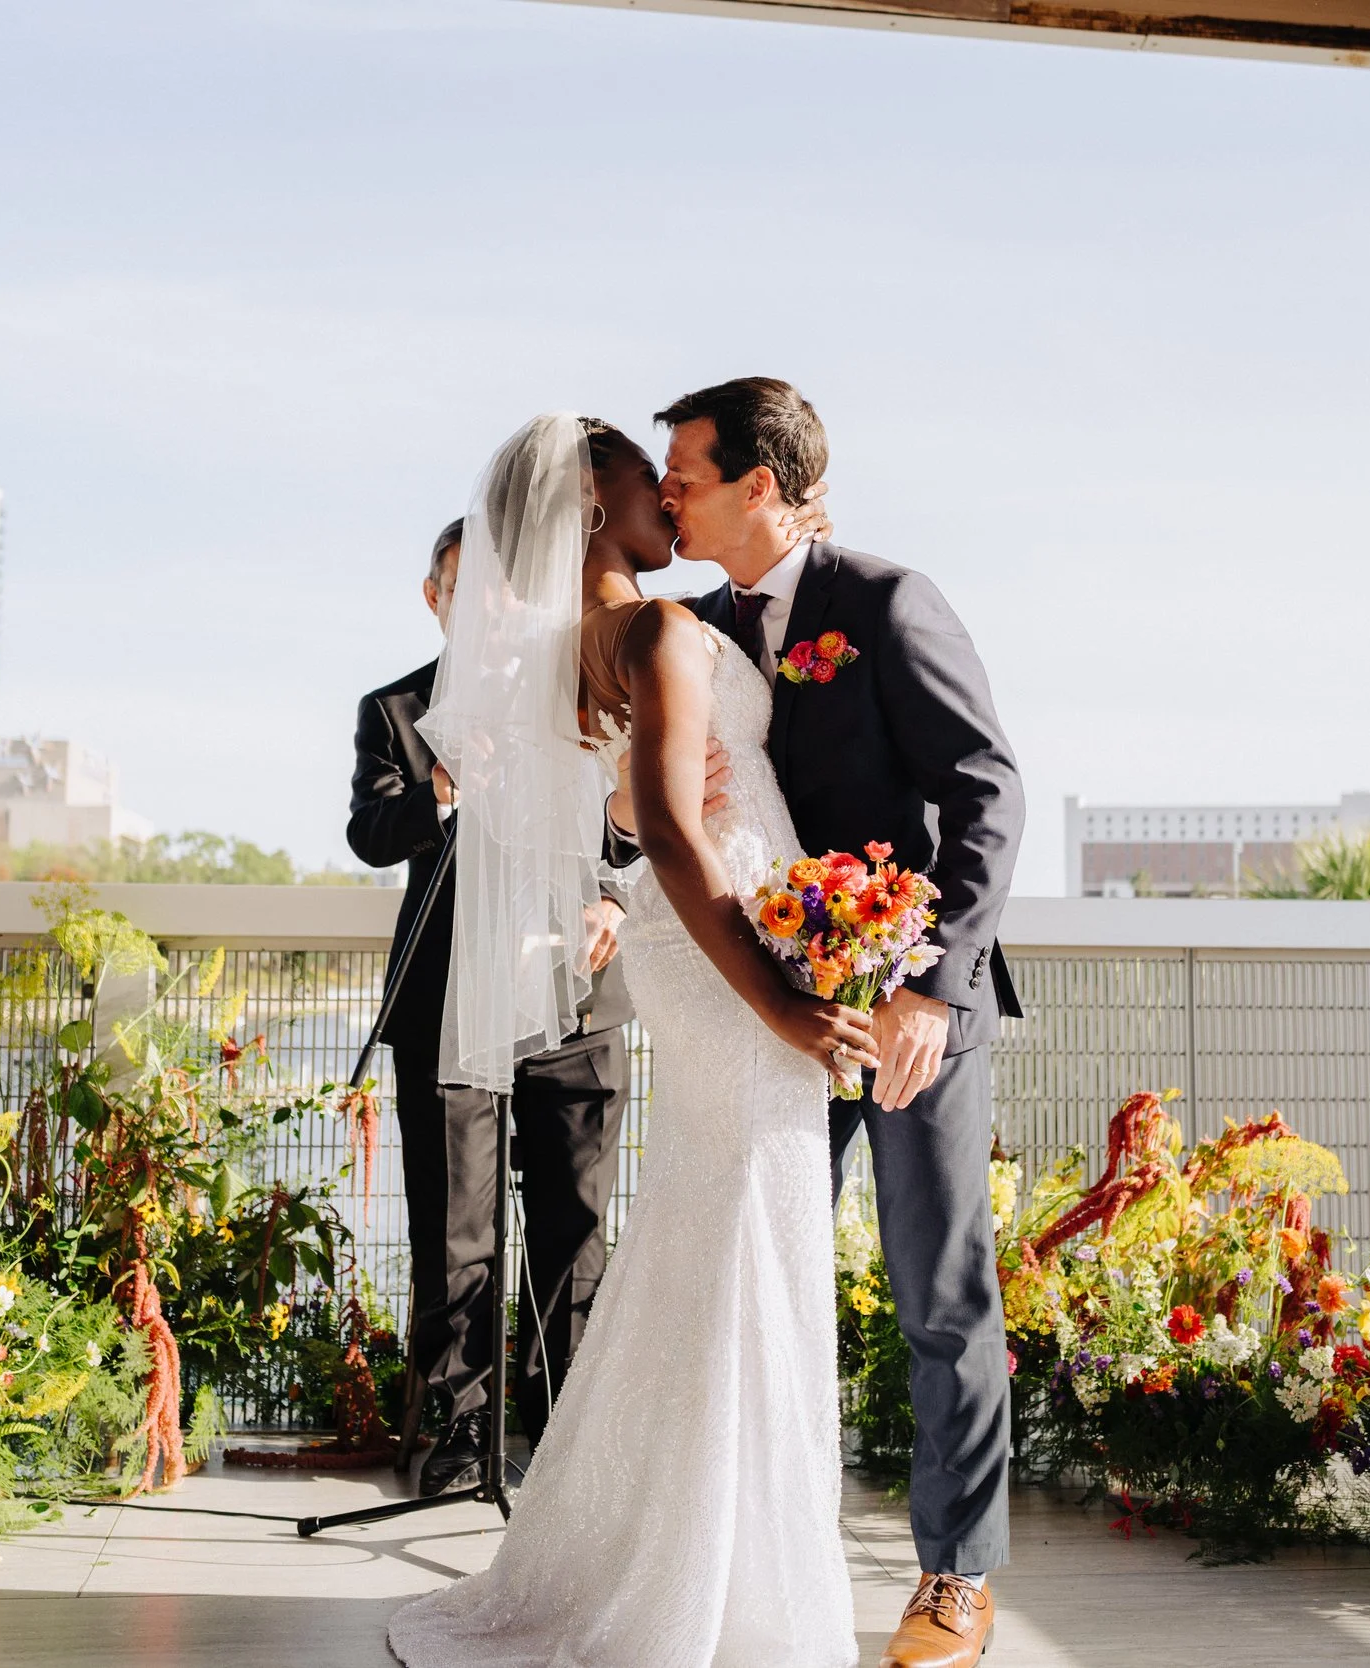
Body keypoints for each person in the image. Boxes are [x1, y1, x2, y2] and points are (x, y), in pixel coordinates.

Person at [389, 413, 880, 1668]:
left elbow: (610, 808)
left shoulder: (575, 649)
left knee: (715, 1232)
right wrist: (780, 1001)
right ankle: (717, 1585)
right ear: (592, 504)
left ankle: (683, 1555)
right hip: (733, 967)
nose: (668, 494)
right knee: (750, 1230)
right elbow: (660, 826)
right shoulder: (655, 630)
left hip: (701, 948)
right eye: (642, 480)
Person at [664, 378, 1025, 1668]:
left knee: (939, 1295)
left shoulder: (882, 603)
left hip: (911, 1006)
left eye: (685, 476)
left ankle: (955, 1579)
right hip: (773, 1016)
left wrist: (933, 986)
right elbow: (662, 813)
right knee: (756, 1285)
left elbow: (987, 792)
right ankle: (749, 1562)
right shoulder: (693, 634)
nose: (667, 496)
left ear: (758, 485)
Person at [346, 520, 634, 1495]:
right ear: (434, 599)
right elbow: (370, 833)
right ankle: (464, 1429)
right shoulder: (396, 709)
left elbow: (638, 822)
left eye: (509, 587)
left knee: (574, 1225)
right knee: (453, 1228)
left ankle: (564, 1431)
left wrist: (612, 899)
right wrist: (439, 783)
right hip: (448, 1009)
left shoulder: (588, 695)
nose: (492, 606)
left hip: (577, 1001)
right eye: (468, 589)